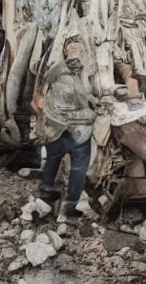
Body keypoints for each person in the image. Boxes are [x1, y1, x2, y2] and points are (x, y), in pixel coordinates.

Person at [33, 39, 98, 218]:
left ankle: (70, 203)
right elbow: (41, 94)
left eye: (78, 48)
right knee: (55, 159)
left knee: (77, 167)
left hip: (79, 128)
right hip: (58, 126)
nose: (75, 51)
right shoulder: (57, 69)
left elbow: (94, 92)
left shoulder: (89, 71)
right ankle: (48, 194)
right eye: (72, 48)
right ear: (66, 52)